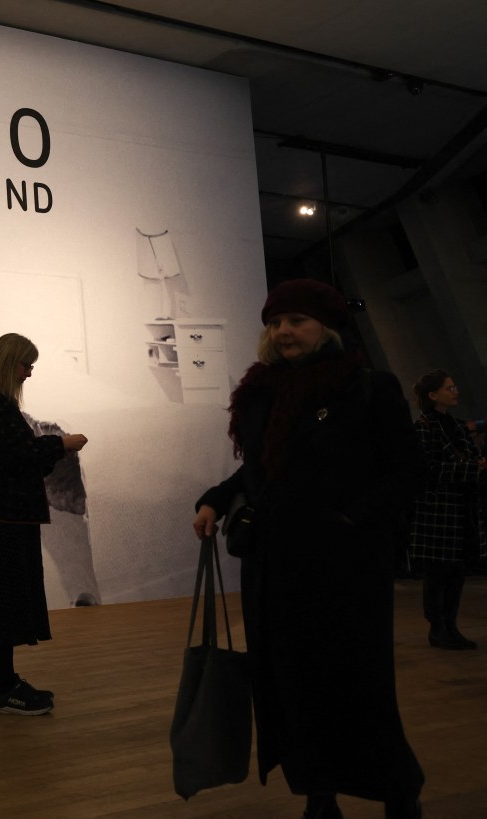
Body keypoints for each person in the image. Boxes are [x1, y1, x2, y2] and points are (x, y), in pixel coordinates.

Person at [192, 279, 424, 819]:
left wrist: (350, 519)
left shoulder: (368, 388)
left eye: (297, 320)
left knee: (360, 684)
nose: (283, 331)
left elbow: (407, 471)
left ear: (328, 327)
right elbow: (261, 470)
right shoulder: (262, 393)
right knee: (293, 687)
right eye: (275, 322)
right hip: (276, 568)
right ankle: (319, 797)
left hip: (345, 567)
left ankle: (398, 792)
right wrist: (216, 499)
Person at [0, 333, 87, 716]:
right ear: (8, 362)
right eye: (26, 365)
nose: (29, 373)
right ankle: (5, 689)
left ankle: (7, 683)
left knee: (5, 603)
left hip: (5, 517)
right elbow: (18, 455)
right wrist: (60, 444)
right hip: (2, 519)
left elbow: (20, 457)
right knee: (3, 604)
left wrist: (51, 449)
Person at [408, 369, 485, 650]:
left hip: (462, 507)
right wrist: (471, 468)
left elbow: (468, 457)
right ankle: (438, 627)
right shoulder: (423, 427)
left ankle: (450, 625)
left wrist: (476, 465)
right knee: (438, 573)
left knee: (456, 572)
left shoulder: (455, 425)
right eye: (449, 388)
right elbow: (427, 470)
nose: (456, 391)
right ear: (433, 394)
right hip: (438, 511)